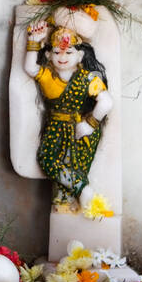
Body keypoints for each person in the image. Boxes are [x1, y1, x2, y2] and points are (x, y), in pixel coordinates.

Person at [23, 16, 114, 217]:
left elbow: (106, 102)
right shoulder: (47, 75)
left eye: (69, 51)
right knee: (47, 159)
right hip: (55, 127)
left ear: (80, 56)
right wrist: (33, 42)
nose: (62, 56)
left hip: (79, 129)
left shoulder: (87, 78)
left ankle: (72, 202)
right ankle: (83, 189)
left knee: (76, 165)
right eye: (56, 52)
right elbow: (30, 68)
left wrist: (90, 124)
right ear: (48, 55)